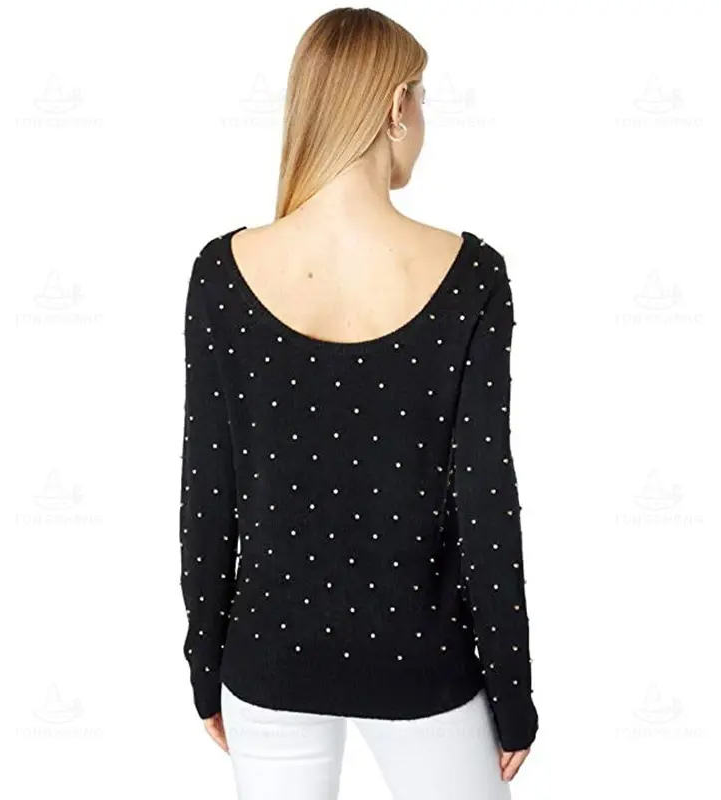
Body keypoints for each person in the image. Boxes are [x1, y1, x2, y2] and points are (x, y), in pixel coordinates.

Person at [179, 8, 538, 799]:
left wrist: (205, 664)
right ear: (395, 106)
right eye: (423, 98)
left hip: (268, 659)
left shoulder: (222, 273)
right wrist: (513, 695)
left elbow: (209, 490)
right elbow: (485, 501)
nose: (423, 122)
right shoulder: (471, 275)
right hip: (424, 663)